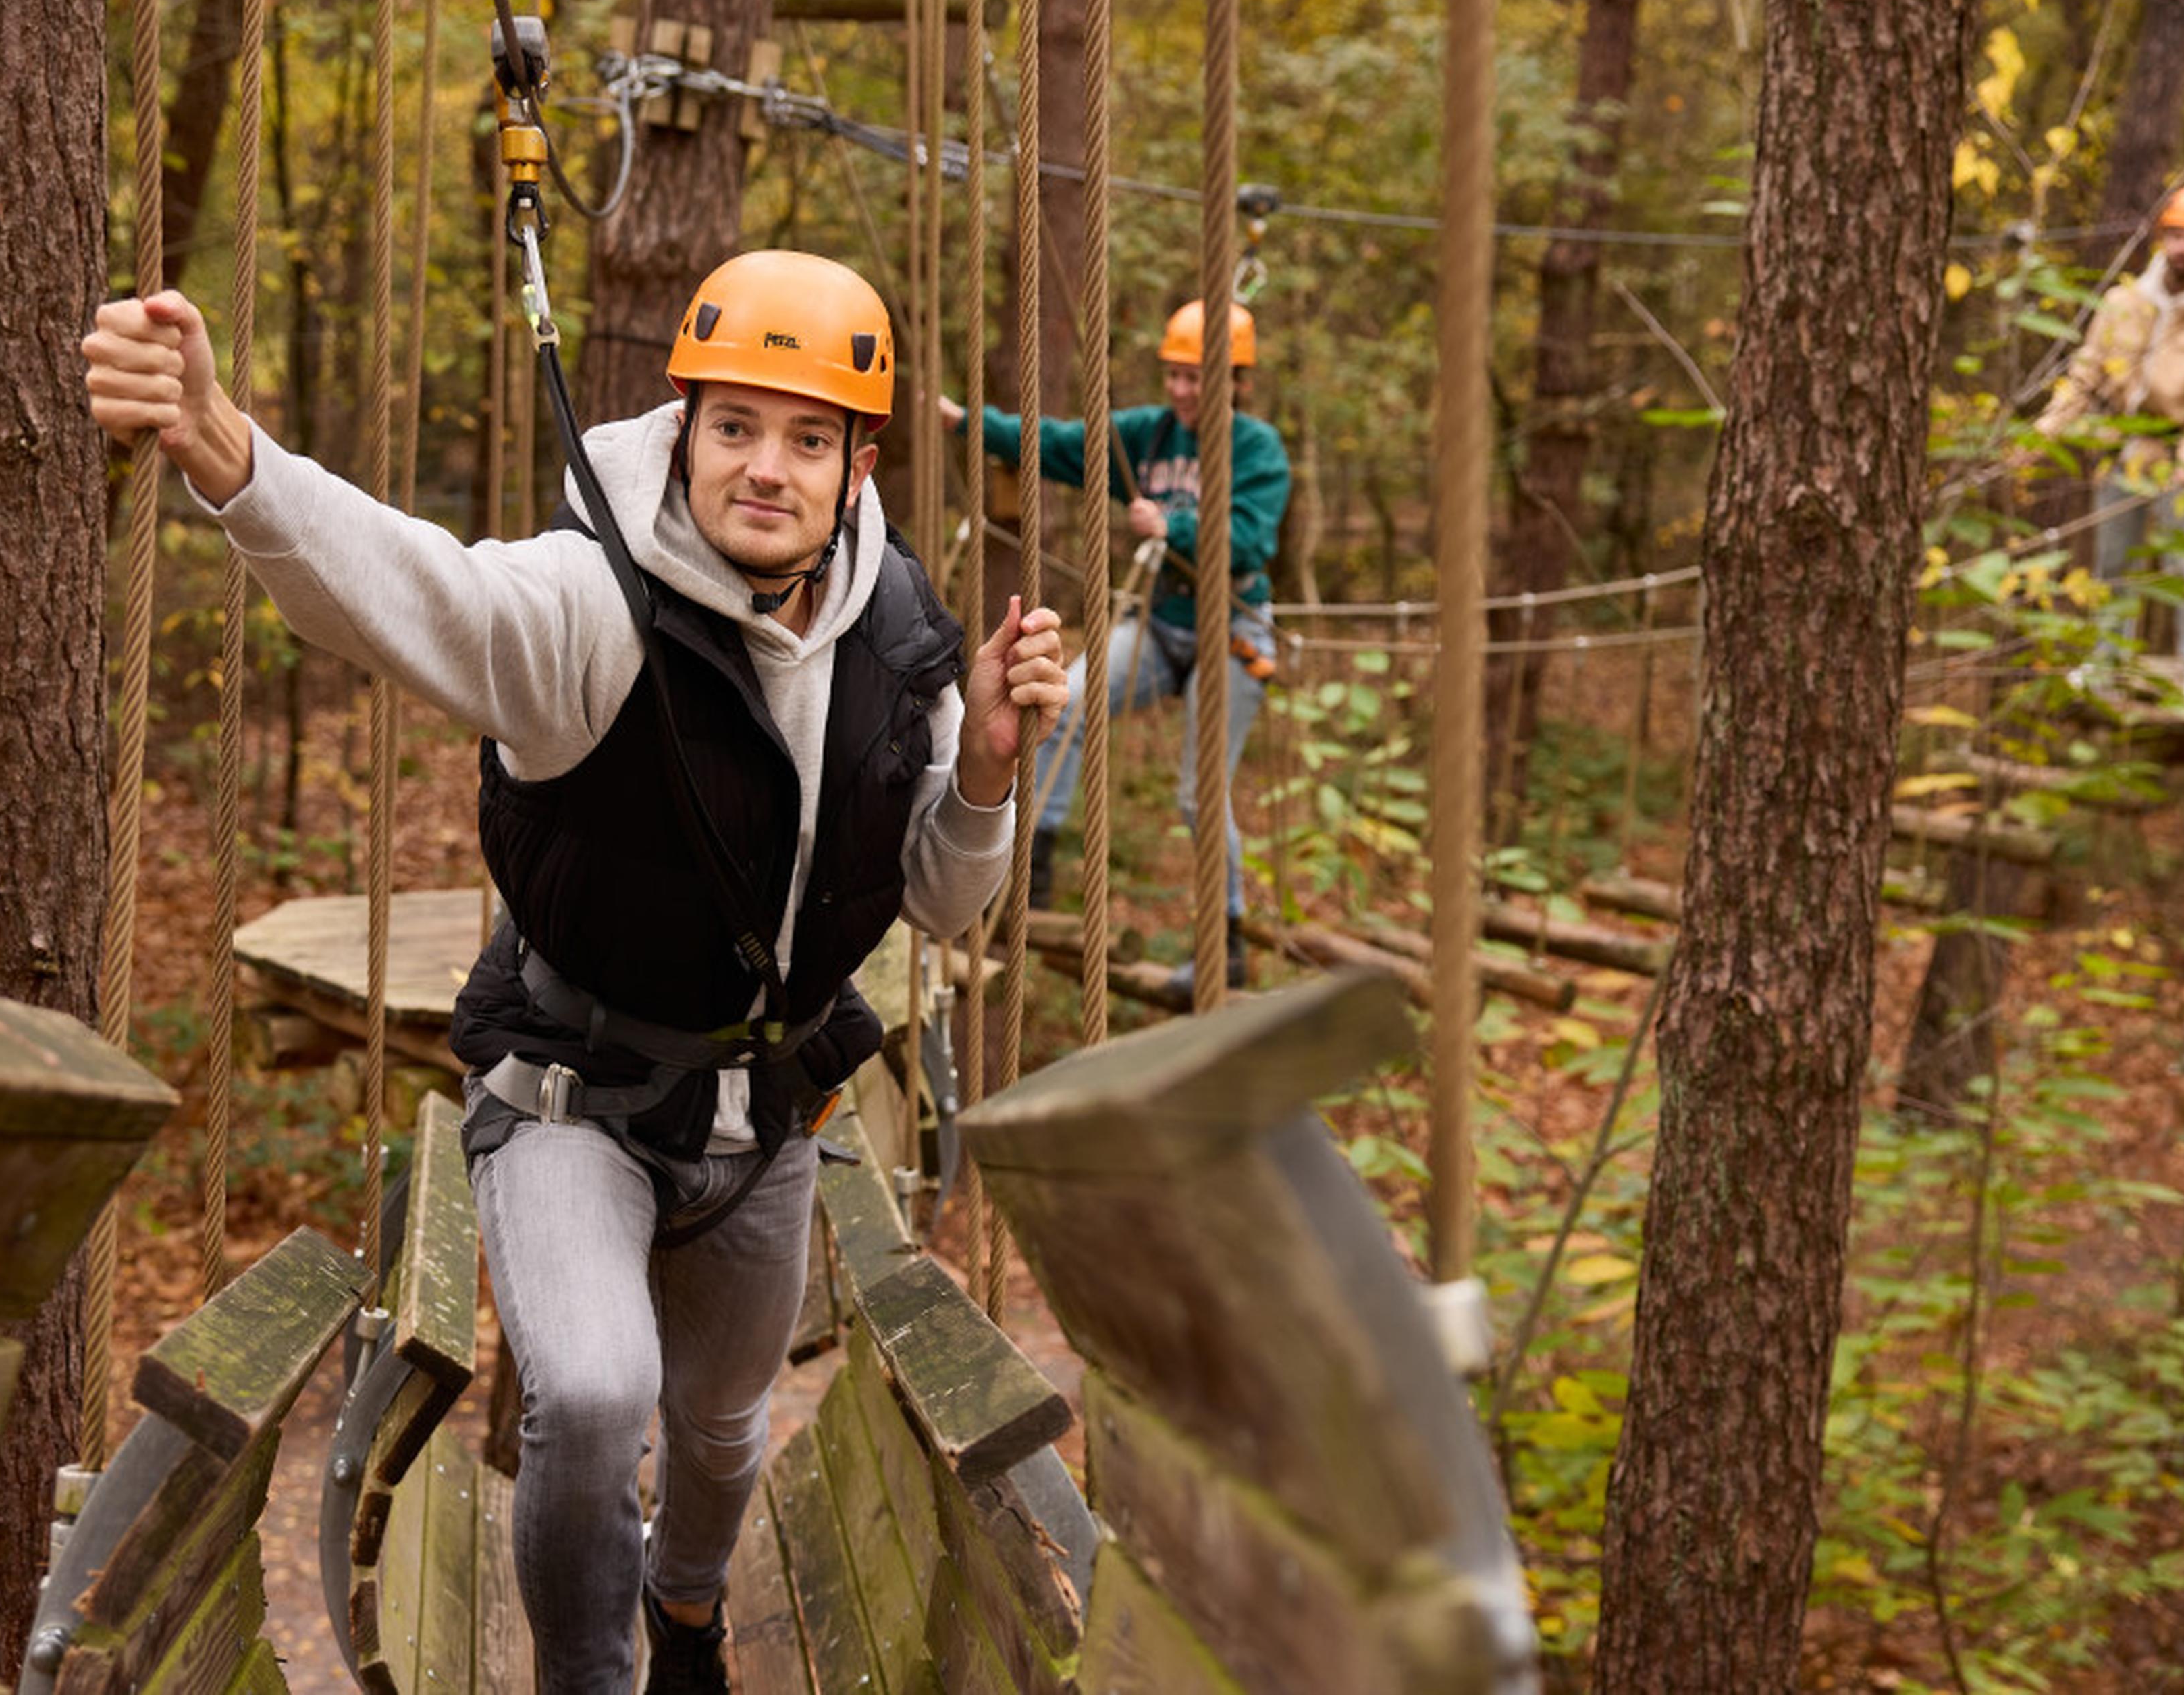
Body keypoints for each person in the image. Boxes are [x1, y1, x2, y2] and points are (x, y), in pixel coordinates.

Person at [82, 249, 1067, 1695]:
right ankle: (588, 1677)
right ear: (684, 430)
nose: (766, 468)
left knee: (727, 1428)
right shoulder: (590, 603)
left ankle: (684, 1616)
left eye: (808, 437)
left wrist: (982, 766)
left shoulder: (902, 639)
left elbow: (937, 891)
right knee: (601, 1394)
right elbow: (417, 590)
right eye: (734, 426)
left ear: (860, 464)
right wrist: (229, 453)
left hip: (765, 1111)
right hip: (569, 1093)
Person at [938, 297, 1290, 995]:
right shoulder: (1151, 435)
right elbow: (1065, 444)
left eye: (1200, 377)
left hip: (1233, 629)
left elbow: (1250, 538)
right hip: (1164, 626)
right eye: (1176, 376)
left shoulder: (1256, 451)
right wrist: (972, 424)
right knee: (1068, 699)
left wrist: (1173, 525)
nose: (1185, 391)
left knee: (1197, 793)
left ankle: (1226, 943)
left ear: (1235, 381)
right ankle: (1031, 869)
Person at [2030, 182, 2184, 714]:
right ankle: (2107, 660)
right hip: (2121, 450)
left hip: (2182, 456)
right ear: (2162, 238)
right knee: (2114, 562)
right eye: (2176, 236)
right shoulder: (2124, 302)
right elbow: (2085, 377)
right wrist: (2043, 433)